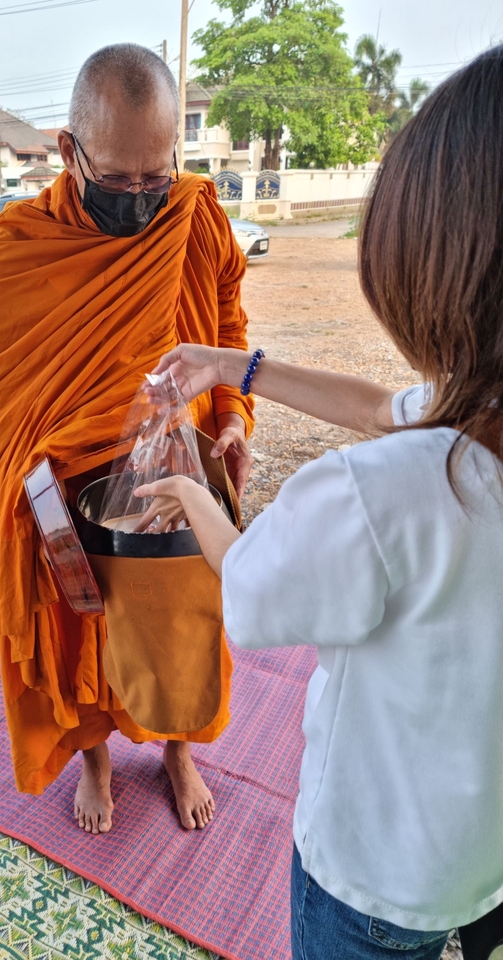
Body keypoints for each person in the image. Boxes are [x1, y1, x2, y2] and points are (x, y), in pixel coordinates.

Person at [135, 46, 503, 960]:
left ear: (426, 263)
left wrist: (189, 490)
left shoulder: (386, 495)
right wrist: (230, 366)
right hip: (478, 855)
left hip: (370, 879)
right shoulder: (479, 420)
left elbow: (252, 588)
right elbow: (383, 406)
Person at [0, 44, 254, 834]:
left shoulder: (193, 216)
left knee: (183, 621)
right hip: (69, 490)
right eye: (119, 179)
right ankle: (95, 759)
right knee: (83, 627)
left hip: (176, 466)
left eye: (155, 177)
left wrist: (231, 413)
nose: (140, 197)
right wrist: (35, 488)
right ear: (69, 151)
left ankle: (176, 747)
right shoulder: (17, 249)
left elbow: (225, 320)